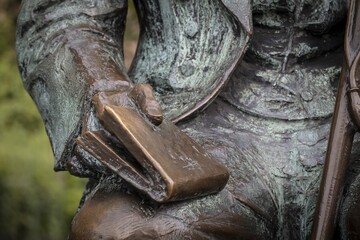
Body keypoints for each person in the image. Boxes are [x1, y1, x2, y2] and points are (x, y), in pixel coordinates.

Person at [16, 0, 360, 239]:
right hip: (194, 125)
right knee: (123, 229)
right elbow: (66, 15)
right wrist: (100, 87)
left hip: (350, 117)